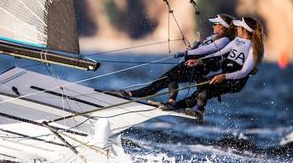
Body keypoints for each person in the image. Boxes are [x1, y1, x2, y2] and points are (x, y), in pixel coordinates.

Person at [108, 14, 236, 103]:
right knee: (166, 80)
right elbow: (201, 49)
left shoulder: (224, 40)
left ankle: (129, 94)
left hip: (196, 68)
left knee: (161, 82)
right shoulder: (215, 38)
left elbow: (206, 51)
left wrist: (186, 53)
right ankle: (171, 101)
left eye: (215, 24)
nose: (213, 26)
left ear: (223, 27)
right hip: (190, 65)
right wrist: (194, 45)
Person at [162, 17, 265, 123]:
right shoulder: (237, 41)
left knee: (205, 89)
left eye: (239, 26)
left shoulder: (254, 48)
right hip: (225, 76)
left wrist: (224, 76)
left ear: (245, 30)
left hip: (236, 81)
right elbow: (217, 54)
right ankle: (179, 106)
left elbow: (244, 72)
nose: (237, 28)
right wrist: (199, 61)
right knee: (202, 85)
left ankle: (198, 113)